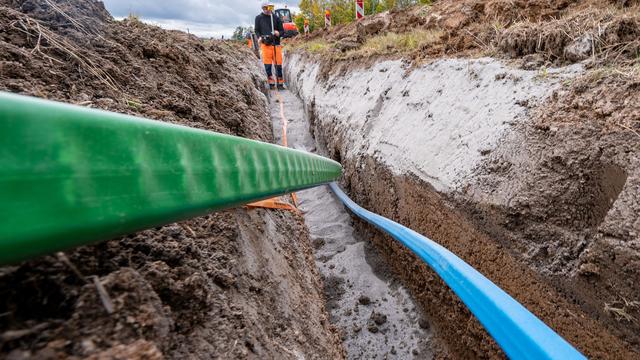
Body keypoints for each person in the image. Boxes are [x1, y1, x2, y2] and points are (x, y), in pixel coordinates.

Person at [255, 2, 285, 89]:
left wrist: (278, 33)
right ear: (262, 8)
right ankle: (271, 84)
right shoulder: (258, 18)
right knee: (268, 66)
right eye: (265, 8)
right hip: (265, 45)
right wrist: (259, 37)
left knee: (278, 65)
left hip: (276, 44)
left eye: (269, 8)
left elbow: (282, 31)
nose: (268, 10)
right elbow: (257, 30)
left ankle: (280, 84)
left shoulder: (276, 18)